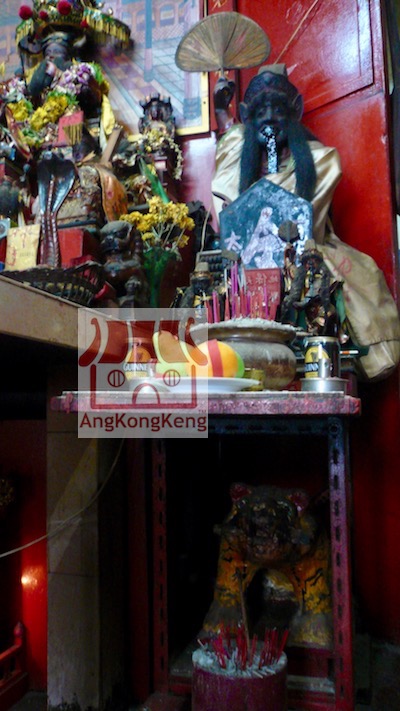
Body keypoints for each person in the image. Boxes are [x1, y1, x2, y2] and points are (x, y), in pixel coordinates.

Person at [210, 66, 400, 381]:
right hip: (248, 265)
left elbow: (299, 220)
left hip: (302, 255)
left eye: (278, 109)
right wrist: (223, 116)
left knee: (340, 279)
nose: (269, 118)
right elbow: (234, 216)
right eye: (260, 111)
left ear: (295, 110)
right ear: (246, 117)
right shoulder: (238, 153)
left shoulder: (323, 160)